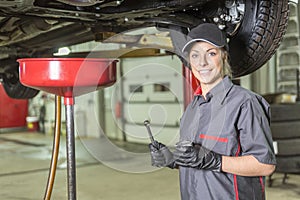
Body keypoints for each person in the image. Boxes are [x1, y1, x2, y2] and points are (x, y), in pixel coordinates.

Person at [148, 23, 276, 200]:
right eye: (195, 55)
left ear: (224, 57)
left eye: (211, 53)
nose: (202, 62)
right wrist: (172, 160)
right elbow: (196, 160)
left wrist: (215, 161)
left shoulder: (245, 103)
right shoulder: (193, 107)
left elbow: (264, 165)